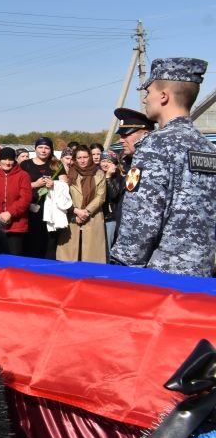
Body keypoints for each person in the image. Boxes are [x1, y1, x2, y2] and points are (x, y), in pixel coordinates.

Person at [111, 58, 216, 276]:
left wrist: (119, 268)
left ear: (164, 96)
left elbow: (140, 222)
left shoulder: (155, 145)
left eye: (148, 92)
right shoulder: (208, 148)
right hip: (202, 275)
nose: (145, 100)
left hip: (161, 280)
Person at [107, 107, 154, 248]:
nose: (121, 141)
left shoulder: (155, 163)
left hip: (145, 243)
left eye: (125, 136)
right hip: (124, 236)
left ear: (145, 134)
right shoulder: (127, 162)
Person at [56, 145, 107, 263]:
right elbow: (64, 196)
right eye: (79, 157)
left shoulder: (98, 173)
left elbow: (101, 196)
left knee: (92, 256)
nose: (82, 160)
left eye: (85, 157)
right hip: (72, 216)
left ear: (90, 157)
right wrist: (76, 212)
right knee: (69, 256)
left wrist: (86, 212)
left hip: (92, 217)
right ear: (75, 159)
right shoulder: (69, 173)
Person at [0, 147, 33, 255]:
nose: (7, 162)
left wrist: (10, 213)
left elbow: (25, 198)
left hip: (16, 225)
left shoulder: (23, 176)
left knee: (14, 257)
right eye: (4, 159)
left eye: (10, 159)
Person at [21, 136, 58, 259]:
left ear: (51, 150)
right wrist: (34, 184)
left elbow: (66, 183)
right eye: (40, 147)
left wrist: (54, 184)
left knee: (49, 242)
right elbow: (17, 185)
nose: (43, 150)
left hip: (51, 210)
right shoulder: (25, 164)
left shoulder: (56, 164)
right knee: (31, 242)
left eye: (46, 148)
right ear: (35, 149)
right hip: (31, 209)